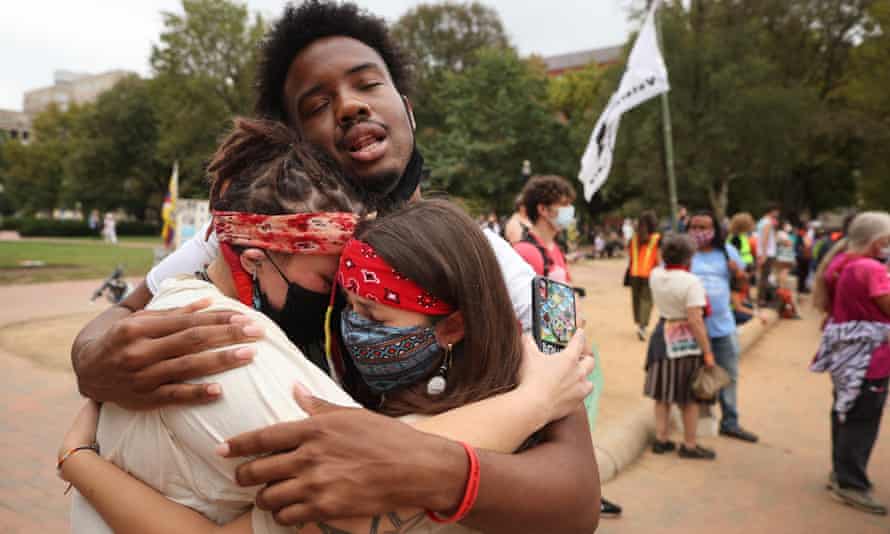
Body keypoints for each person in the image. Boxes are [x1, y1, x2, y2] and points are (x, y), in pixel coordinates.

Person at [68, 2, 599, 531]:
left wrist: (417, 466)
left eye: (367, 84)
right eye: (317, 103)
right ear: (292, 144)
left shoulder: (511, 276)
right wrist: (94, 359)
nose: (348, 106)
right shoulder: (254, 239)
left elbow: (577, 499)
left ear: (407, 109)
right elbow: (114, 319)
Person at [62, 197, 599, 533]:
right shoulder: (483, 405)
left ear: (453, 326)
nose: (350, 326)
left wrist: (78, 459)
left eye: (372, 313)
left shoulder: (367, 452)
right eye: (344, 303)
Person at [811, 211, 890, 516]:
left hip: (847, 354)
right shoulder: (870, 269)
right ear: (878, 241)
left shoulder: (841, 263)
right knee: (862, 419)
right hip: (870, 357)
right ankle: (851, 483)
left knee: (845, 411)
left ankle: (841, 472)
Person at [688, 211, 759, 443]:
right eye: (695, 226)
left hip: (723, 325)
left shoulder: (727, 252)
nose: (699, 232)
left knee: (729, 374)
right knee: (692, 375)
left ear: (715, 230)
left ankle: (730, 421)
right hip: (692, 328)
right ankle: (695, 422)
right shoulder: (685, 254)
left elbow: (742, 281)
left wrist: (737, 273)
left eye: (704, 227)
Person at [645, 233, 716, 459]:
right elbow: (695, 320)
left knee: (662, 394)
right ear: (688, 257)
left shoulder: (655, 275)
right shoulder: (691, 283)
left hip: (662, 334)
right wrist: (707, 352)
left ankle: (662, 439)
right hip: (686, 342)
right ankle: (690, 444)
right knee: (689, 398)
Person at [513, 175, 576, 284]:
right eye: (564, 204)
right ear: (542, 209)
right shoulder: (525, 252)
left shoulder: (554, 247)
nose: (570, 210)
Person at [626, 211, 661, 341]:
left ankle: (638, 321)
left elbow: (630, 255)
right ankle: (642, 326)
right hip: (650, 273)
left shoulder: (634, 238)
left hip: (634, 273)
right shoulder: (657, 238)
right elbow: (658, 258)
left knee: (636, 299)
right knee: (646, 300)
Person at [756, 205, 780, 306]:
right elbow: (765, 238)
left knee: (762, 276)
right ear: (772, 211)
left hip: (761, 252)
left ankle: (761, 298)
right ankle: (762, 299)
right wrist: (764, 254)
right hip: (768, 253)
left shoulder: (761, 221)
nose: (778, 214)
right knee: (765, 277)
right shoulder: (768, 222)